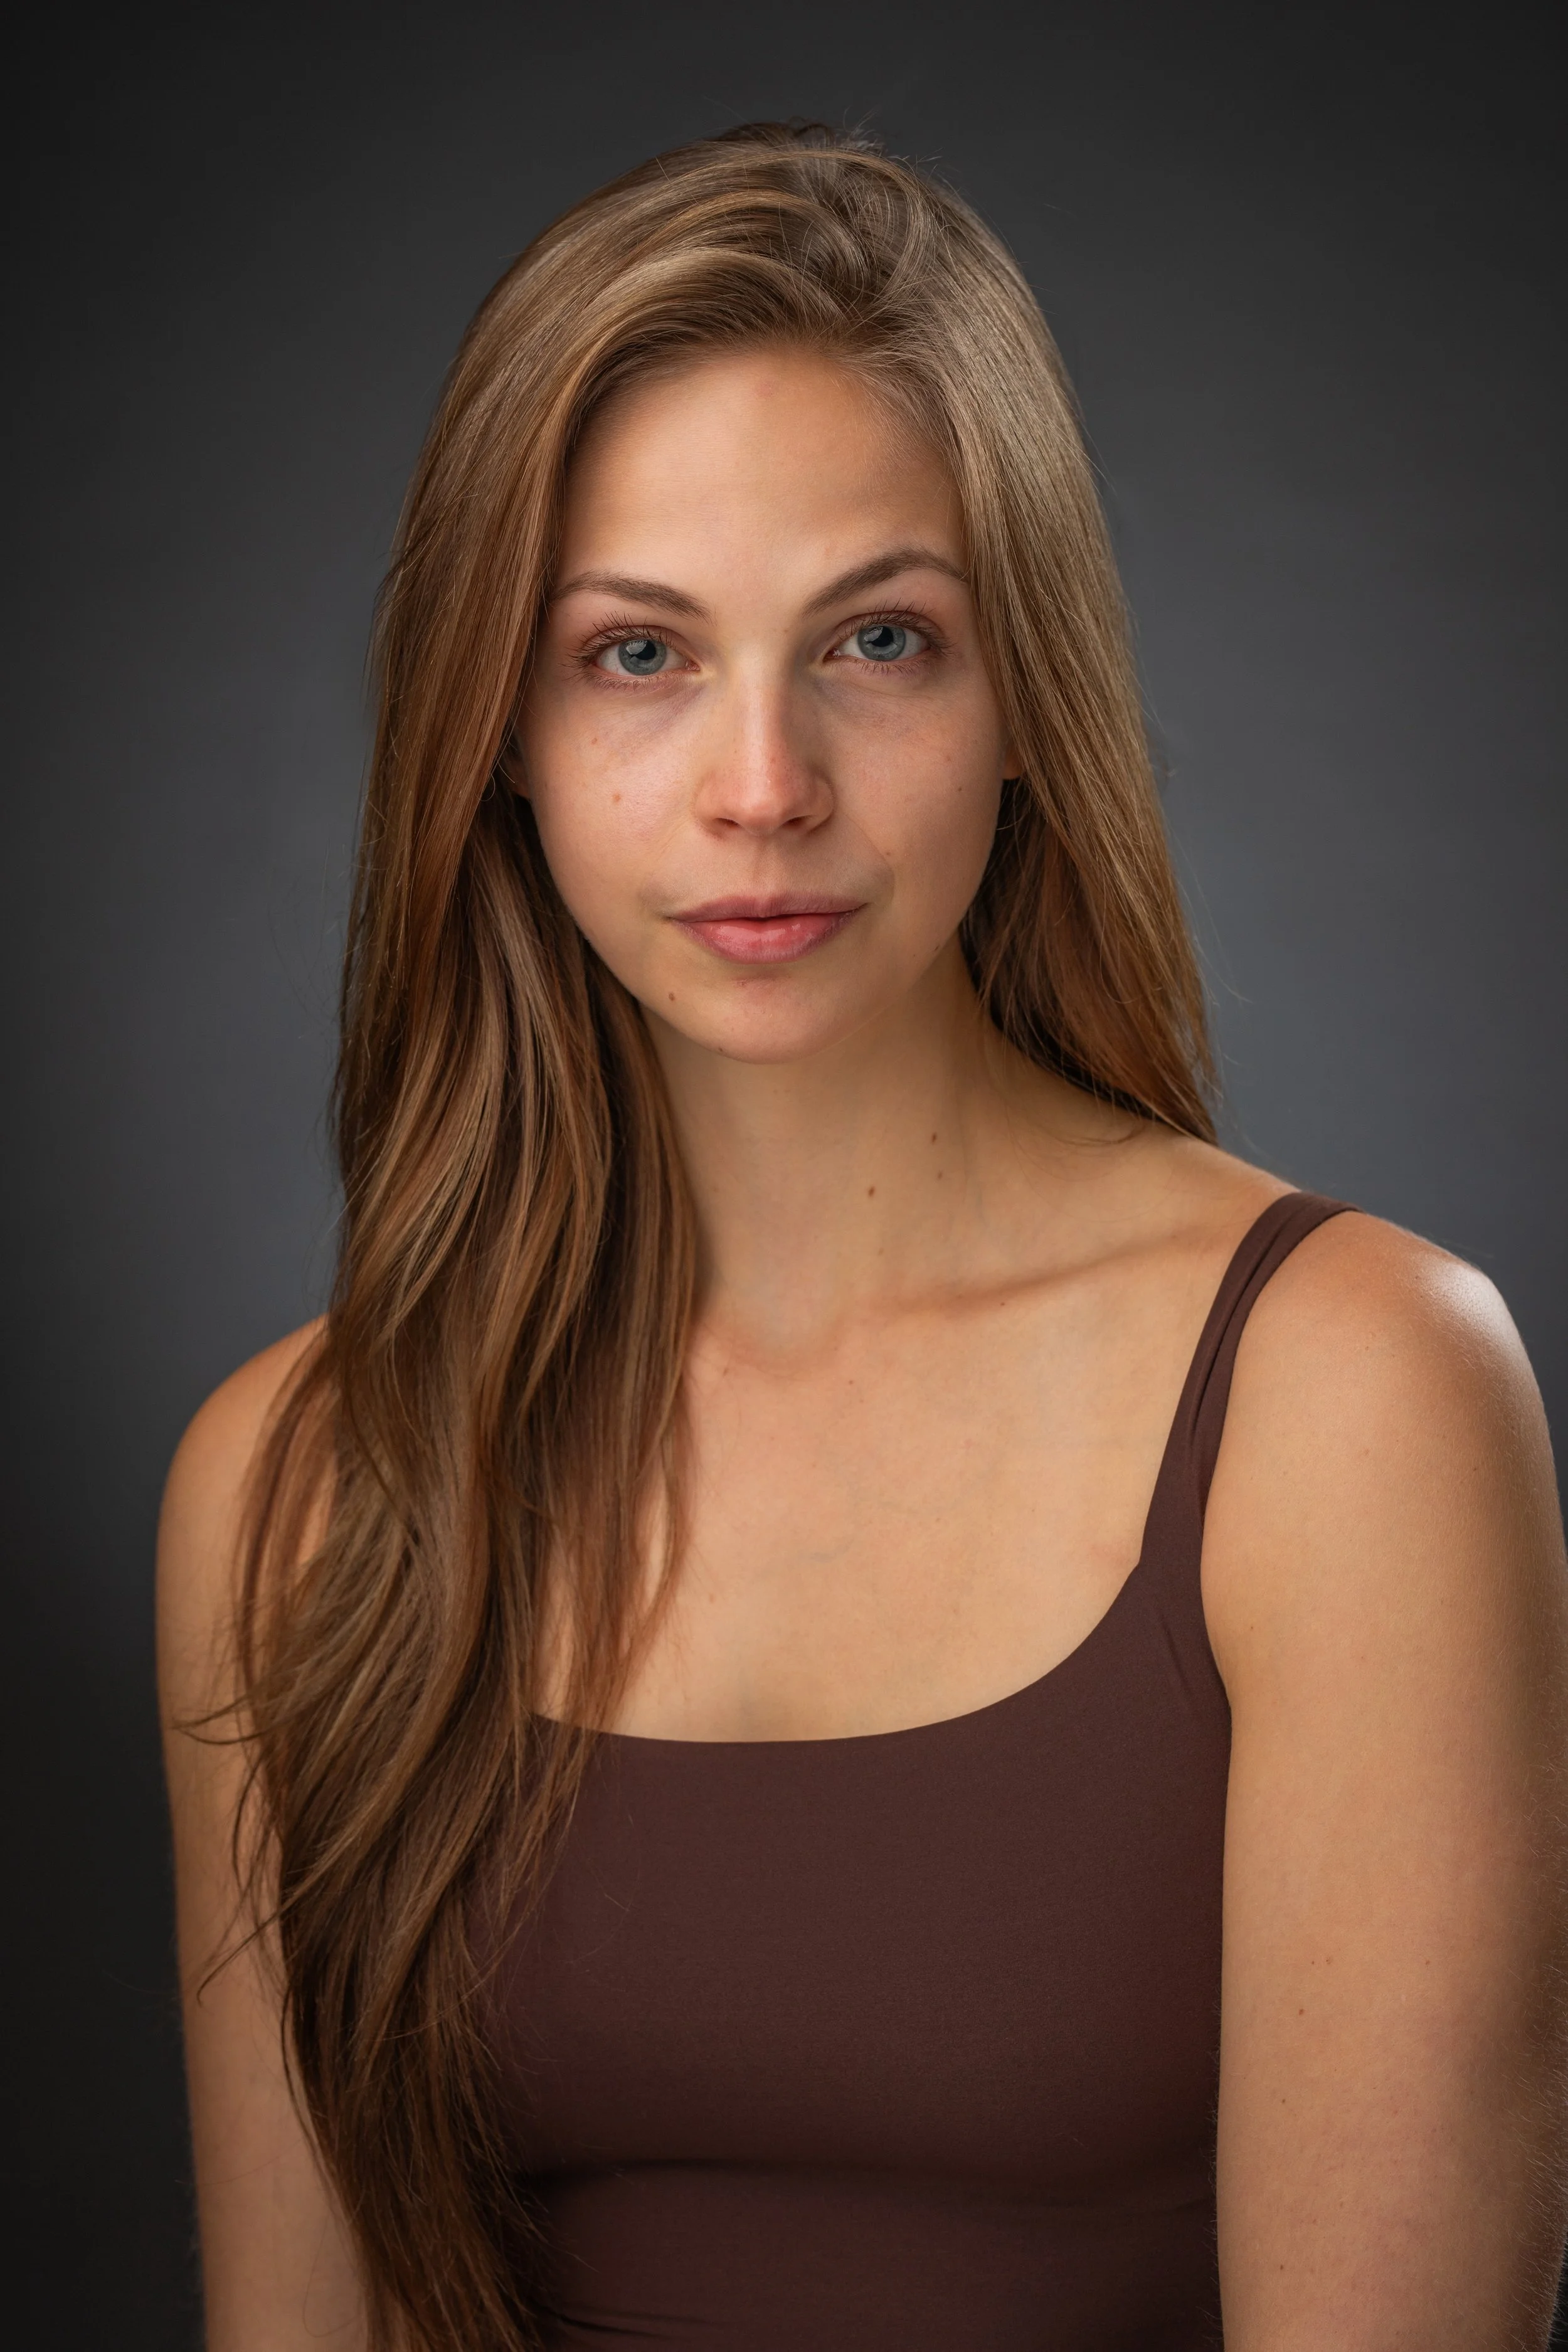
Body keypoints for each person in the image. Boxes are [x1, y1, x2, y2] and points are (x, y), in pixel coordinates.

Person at [157, 123, 1568, 2351]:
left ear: (1027, 707)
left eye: (877, 639)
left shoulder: (1350, 1394)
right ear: (491, 731)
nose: (760, 783)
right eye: (635, 653)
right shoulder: (292, 1483)